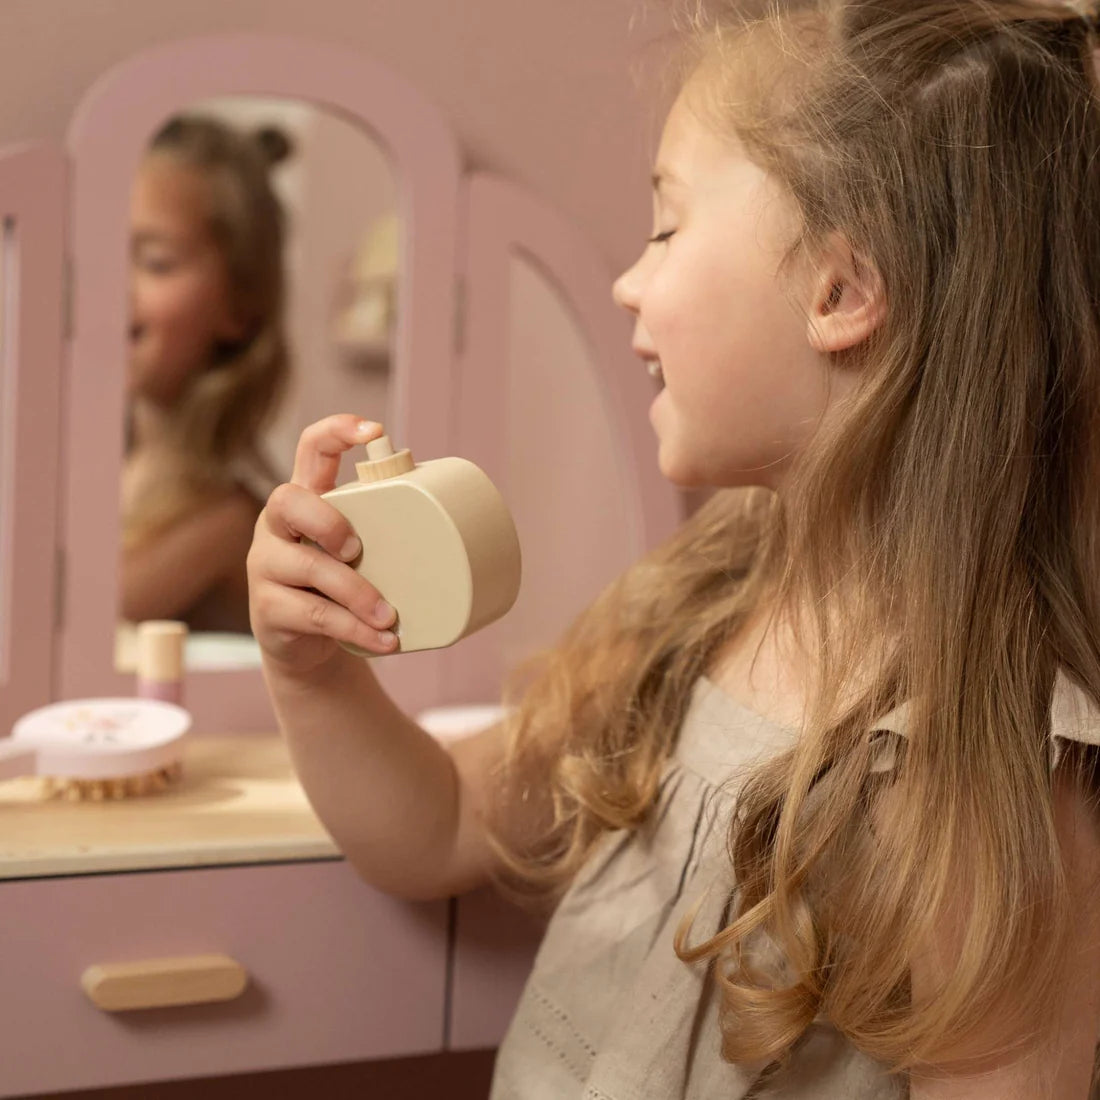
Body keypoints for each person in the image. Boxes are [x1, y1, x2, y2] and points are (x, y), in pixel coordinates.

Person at [245, 1, 1100, 1096]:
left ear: (839, 290)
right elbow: (442, 826)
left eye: (665, 228)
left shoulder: (978, 776)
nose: (627, 280)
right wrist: (311, 672)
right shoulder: (698, 606)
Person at [122, 114, 292, 634]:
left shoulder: (229, 523)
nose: (110, 284)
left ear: (239, 307)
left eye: (154, 262)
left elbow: (71, 615)